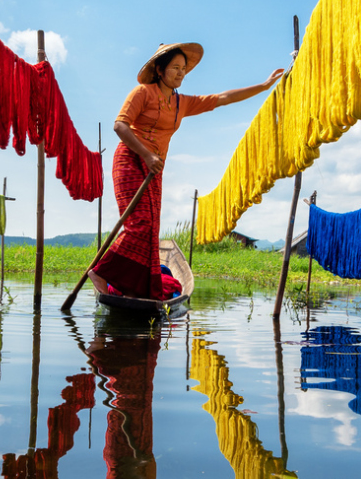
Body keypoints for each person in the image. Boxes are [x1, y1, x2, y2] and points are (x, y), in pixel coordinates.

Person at [90, 43, 283, 299]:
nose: (180, 73)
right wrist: (146, 154)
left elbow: (221, 99)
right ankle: (101, 272)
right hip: (131, 159)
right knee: (139, 223)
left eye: (183, 69)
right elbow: (120, 126)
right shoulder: (142, 92)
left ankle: (131, 287)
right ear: (160, 69)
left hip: (154, 167)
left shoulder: (182, 103)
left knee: (151, 230)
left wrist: (263, 86)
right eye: (175, 68)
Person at [88, 330, 260, 479]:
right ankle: (127, 345)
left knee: (128, 399)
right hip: (143, 458)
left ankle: (113, 345)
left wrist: (137, 471)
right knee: (137, 397)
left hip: (128, 461)